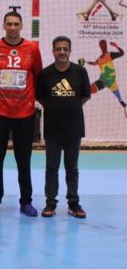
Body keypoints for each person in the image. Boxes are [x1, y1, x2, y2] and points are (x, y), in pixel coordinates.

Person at [0, 10, 43, 216]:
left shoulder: (32, 49)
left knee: (23, 159)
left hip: (24, 114)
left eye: (16, 24)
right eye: (9, 24)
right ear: (3, 26)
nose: (13, 28)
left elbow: (37, 76)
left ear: (22, 26)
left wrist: (24, 99)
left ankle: (26, 201)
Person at [36, 36, 90, 219]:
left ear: (70, 51)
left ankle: (73, 204)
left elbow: (85, 96)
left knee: (72, 168)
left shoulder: (80, 72)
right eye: (58, 49)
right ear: (53, 52)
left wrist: (69, 107)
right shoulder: (45, 74)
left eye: (65, 49)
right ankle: (50, 203)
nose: (62, 52)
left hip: (74, 128)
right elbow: (41, 98)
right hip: (53, 129)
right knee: (51, 167)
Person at [86, 39, 127, 116]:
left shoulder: (110, 55)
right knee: (89, 89)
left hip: (111, 81)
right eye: (101, 45)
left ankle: (125, 106)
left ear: (106, 46)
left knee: (119, 98)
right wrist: (86, 62)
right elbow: (94, 63)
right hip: (103, 81)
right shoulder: (99, 58)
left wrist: (116, 46)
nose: (103, 47)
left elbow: (121, 53)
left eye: (104, 45)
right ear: (100, 47)